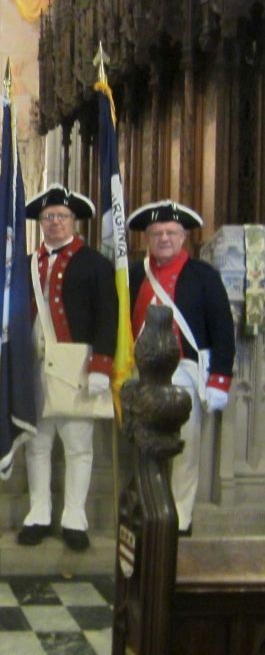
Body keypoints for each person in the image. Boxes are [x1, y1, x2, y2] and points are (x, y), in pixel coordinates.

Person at [17, 184, 117, 551]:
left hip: (77, 367)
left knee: (77, 446)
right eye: (48, 217)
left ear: (74, 221)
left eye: (61, 216)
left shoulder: (95, 264)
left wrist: (101, 366)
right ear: (40, 223)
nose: (54, 223)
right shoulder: (28, 263)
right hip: (34, 366)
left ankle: (74, 518)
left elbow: (108, 317)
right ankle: (38, 514)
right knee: (36, 443)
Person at [127, 200, 235, 535]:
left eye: (171, 232)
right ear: (146, 237)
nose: (163, 238)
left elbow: (222, 329)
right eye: (157, 233)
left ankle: (179, 517)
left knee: (184, 449)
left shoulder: (204, 277)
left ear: (183, 236)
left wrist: (220, 379)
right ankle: (147, 508)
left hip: (185, 374)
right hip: (141, 373)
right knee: (144, 447)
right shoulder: (133, 274)